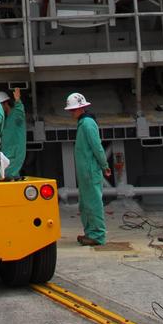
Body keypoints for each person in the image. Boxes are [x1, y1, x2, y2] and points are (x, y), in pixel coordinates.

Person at [65, 91, 111, 247]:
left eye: (73, 110)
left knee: (93, 204)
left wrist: (104, 165)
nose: (71, 113)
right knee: (86, 204)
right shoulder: (84, 124)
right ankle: (91, 233)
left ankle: (97, 235)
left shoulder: (87, 124)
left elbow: (97, 147)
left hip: (90, 171)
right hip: (86, 172)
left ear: (80, 108)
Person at [0, 88, 27, 178]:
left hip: (14, 153)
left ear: (5, 103)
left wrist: (18, 101)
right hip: (7, 153)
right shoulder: (5, 119)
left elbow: (20, 113)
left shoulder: (15, 115)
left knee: (9, 175)